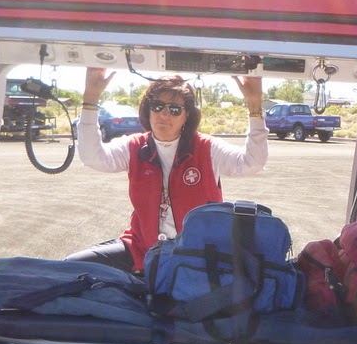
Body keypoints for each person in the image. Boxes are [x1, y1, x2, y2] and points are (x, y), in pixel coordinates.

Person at [66, 69, 268, 272]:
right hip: (142, 249)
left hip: (197, 255)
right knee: (72, 267)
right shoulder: (134, 146)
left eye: (174, 109)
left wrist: (255, 108)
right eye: (157, 106)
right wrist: (90, 99)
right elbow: (92, 157)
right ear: (148, 110)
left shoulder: (207, 148)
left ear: (186, 115)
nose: (163, 114)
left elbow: (252, 162)